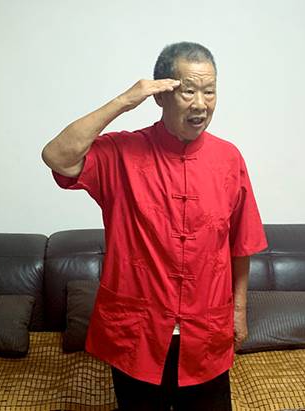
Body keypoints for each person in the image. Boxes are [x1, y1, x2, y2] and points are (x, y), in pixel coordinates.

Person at [42, 41, 267, 411]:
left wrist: (238, 312)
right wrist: (123, 102)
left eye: (210, 92)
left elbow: (241, 244)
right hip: (137, 334)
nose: (201, 104)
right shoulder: (121, 152)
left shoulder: (229, 159)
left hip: (205, 334)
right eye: (188, 91)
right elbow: (57, 156)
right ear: (161, 95)